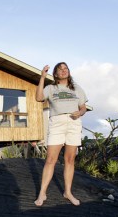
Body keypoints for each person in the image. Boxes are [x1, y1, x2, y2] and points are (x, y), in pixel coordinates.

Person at [34, 62, 88, 207]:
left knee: (70, 159)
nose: (64, 71)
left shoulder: (77, 88)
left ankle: (68, 192)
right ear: (56, 74)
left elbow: (83, 107)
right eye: (60, 69)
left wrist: (80, 112)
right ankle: (42, 193)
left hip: (74, 122)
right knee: (51, 159)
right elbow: (39, 98)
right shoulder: (51, 88)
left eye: (66, 68)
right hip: (57, 122)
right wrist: (42, 77)